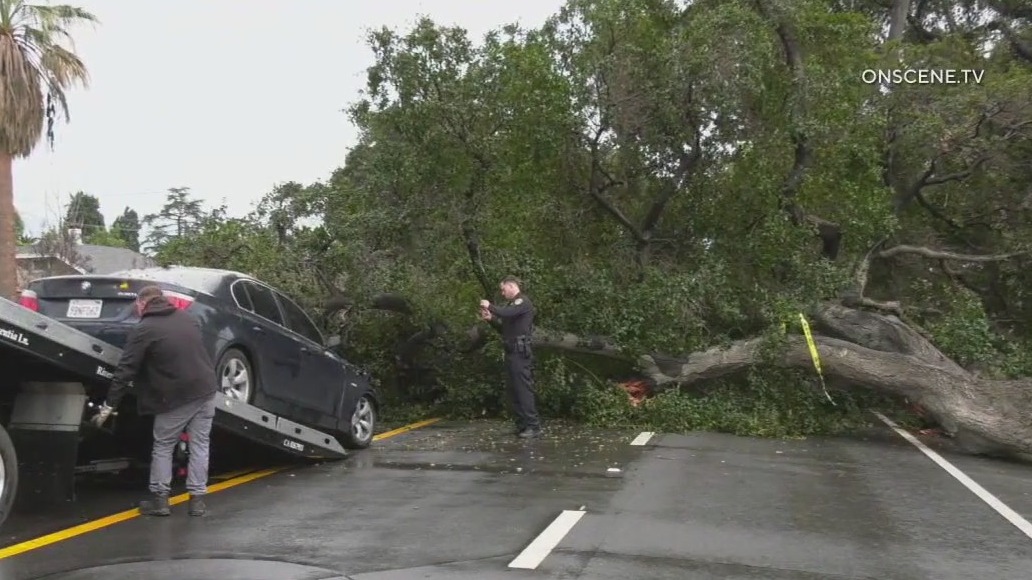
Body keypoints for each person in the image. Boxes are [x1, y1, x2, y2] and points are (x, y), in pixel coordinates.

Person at [91, 285, 218, 517]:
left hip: (177, 395)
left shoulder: (145, 329)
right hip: (206, 389)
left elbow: (126, 369)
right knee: (200, 445)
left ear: (142, 304)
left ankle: (160, 501)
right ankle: (197, 502)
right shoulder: (186, 318)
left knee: (163, 445)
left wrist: (109, 406)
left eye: (136, 307)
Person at [480, 276, 541, 438]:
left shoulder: (522, 302)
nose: (502, 292)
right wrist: (491, 319)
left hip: (520, 352)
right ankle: (522, 425)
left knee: (523, 389)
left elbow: (506, 313)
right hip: (511, 350)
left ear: (512, 286)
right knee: (513, 390)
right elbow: (504, 328)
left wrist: (490, 306)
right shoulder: (512, 306)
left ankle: (533, 426)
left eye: (503, 289)